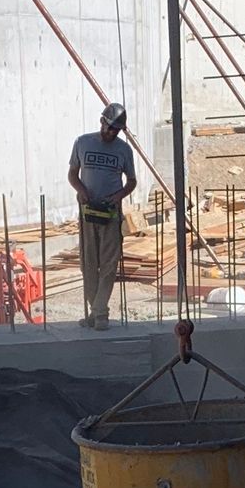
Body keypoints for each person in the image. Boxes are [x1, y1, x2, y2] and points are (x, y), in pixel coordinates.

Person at [68, 101, 138, 328]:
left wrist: (119, 196)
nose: (110, 133)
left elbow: (132, 181)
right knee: (88, 263)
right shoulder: (83, 143)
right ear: (102, 122)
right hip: (89, 210)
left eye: (115, 130)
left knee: (109, 263)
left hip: (110, 213)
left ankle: (100, 313)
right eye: (109, 127)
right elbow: (72, 174)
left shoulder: (123, 150)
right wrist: (81, 191)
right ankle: (96, 310)